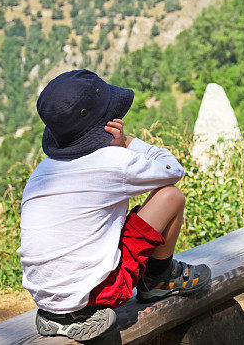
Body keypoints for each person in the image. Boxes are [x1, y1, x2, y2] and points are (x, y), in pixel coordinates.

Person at [18, 69, 210, 341]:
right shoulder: (114, 161)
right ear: (107, 123)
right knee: (170, 196)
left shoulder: (41, 174)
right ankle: (159, 278)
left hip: (46, 296)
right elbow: (172, 169)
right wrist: (127, 143)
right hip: (95, 292)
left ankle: (60, 317)